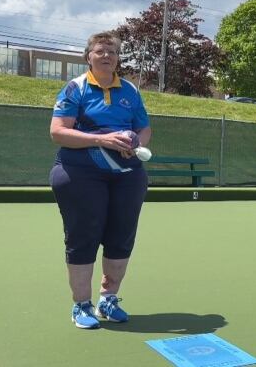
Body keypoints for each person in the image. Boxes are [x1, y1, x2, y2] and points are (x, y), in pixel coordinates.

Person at [49, 31, 152, 329]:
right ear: (88, 56)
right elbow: (58, 132)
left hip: (127, 175)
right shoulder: (75, 89)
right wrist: (103, 139)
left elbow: (144, 128)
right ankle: (81, 306)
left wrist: (137, 143)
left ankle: (109, 299)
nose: (107, 56)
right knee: (83, 237)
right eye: (100, 51)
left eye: (112, 51)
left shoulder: (130, 90)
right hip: (79, 173)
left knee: (121, 237)